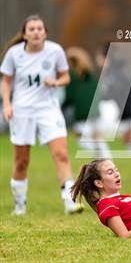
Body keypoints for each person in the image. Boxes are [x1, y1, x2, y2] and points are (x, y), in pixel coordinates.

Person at [0, 14, 84, 215]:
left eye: (39, 28)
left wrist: (55, 83)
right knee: (22, 161)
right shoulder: (14, 54)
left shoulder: (55, 51)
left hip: (49, 109)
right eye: (32, 29)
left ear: (45, 32)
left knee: (61, 154)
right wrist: (7, 105)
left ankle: (69, 202)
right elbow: (6, 81)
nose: (36, 32)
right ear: (25, 34)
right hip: (22, 111)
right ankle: (20, 205)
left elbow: (65, 77)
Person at [62, 46, 111, 159]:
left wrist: (62, 107)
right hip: (95, 111)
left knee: (81, 137)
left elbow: (69, 97)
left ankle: (101, 157)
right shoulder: (91, 75)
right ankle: (106, 159)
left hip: (82, 113)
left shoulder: (72, 77)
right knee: (97, 137)